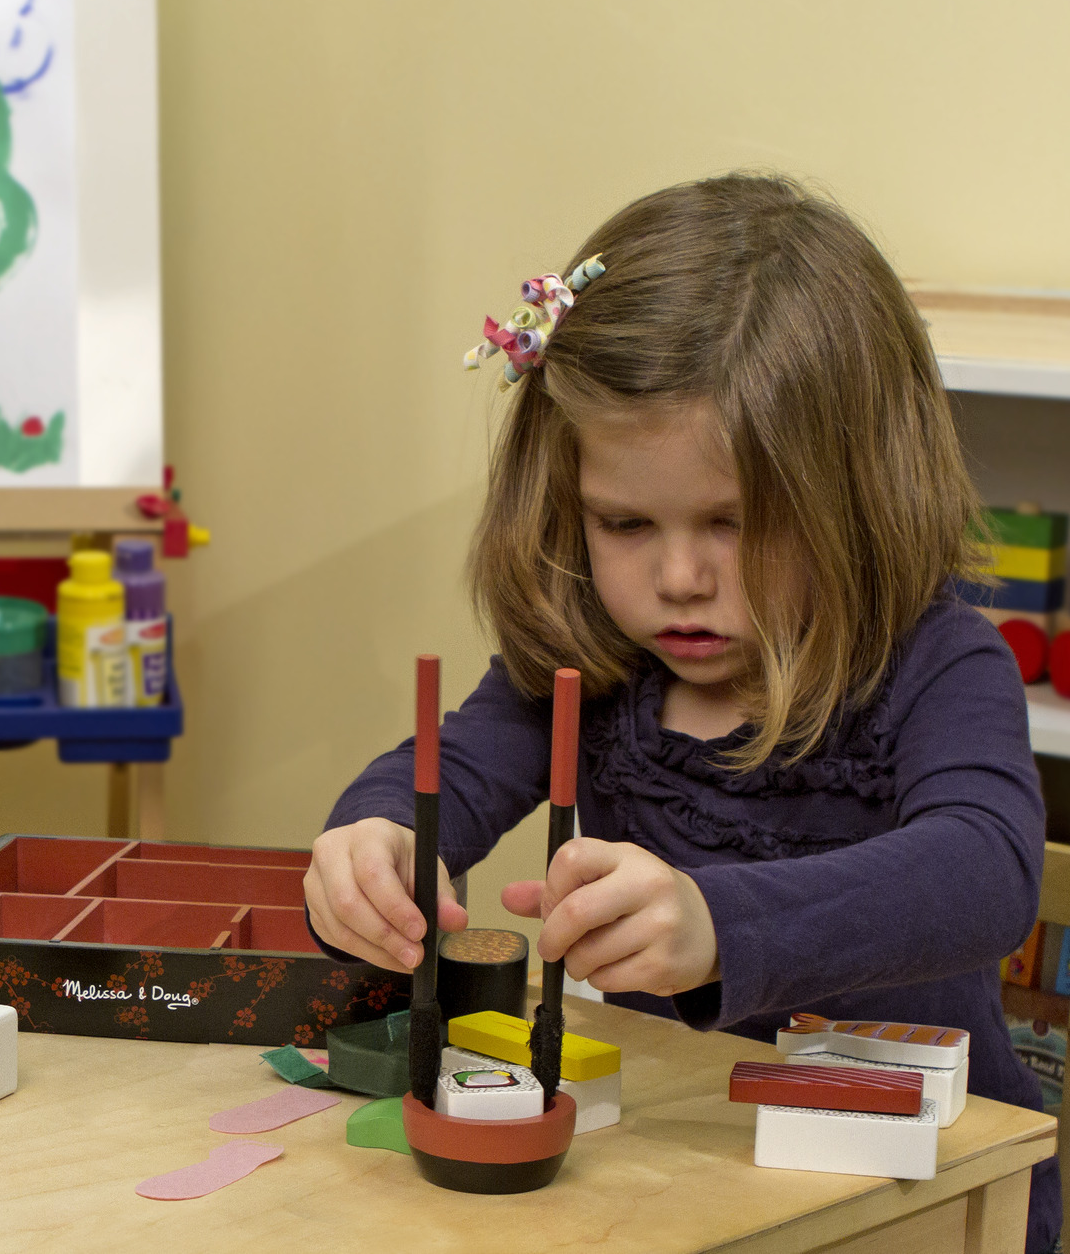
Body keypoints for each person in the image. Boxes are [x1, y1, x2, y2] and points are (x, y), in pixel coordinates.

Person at [304, 173, 1058, 1250]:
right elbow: (449, 770)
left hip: (917, 1199)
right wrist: (370, 837)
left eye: (735, 522)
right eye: (622, 521)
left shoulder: (937, 661)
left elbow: (984, 872)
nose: (678, 577)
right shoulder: (588, 659)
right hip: (674, 1183)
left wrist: (717, 925)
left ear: (859, 491)